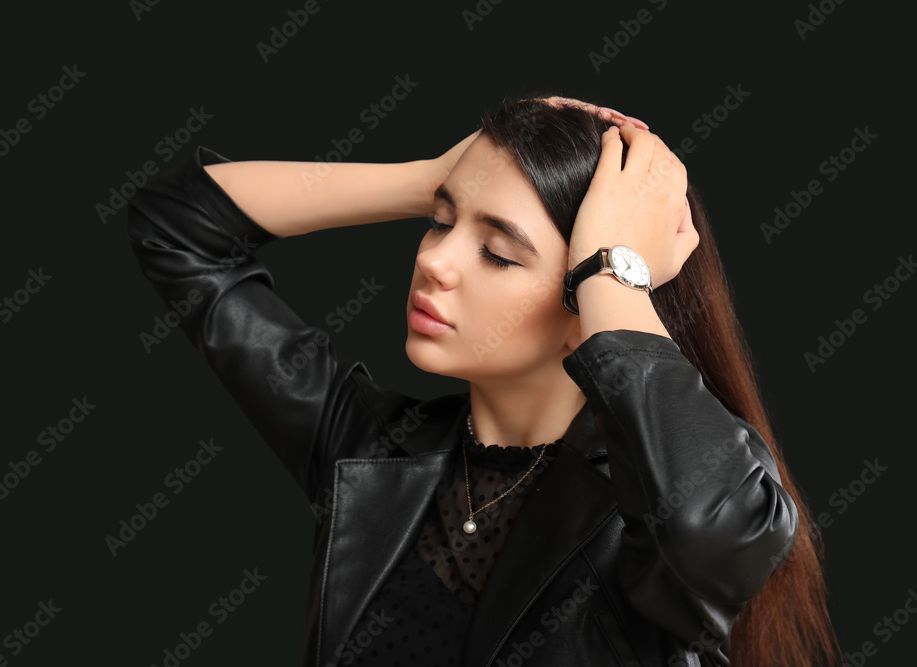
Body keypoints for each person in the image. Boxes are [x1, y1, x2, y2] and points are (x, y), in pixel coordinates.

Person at [125, 94, 841, 666]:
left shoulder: (648, 511)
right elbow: (177, 229)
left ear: (586, 310)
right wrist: (430, 177)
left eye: (498, 252)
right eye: (440, 222)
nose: (435, 261)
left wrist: (615, 273)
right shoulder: (374, 452)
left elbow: (718, 529)